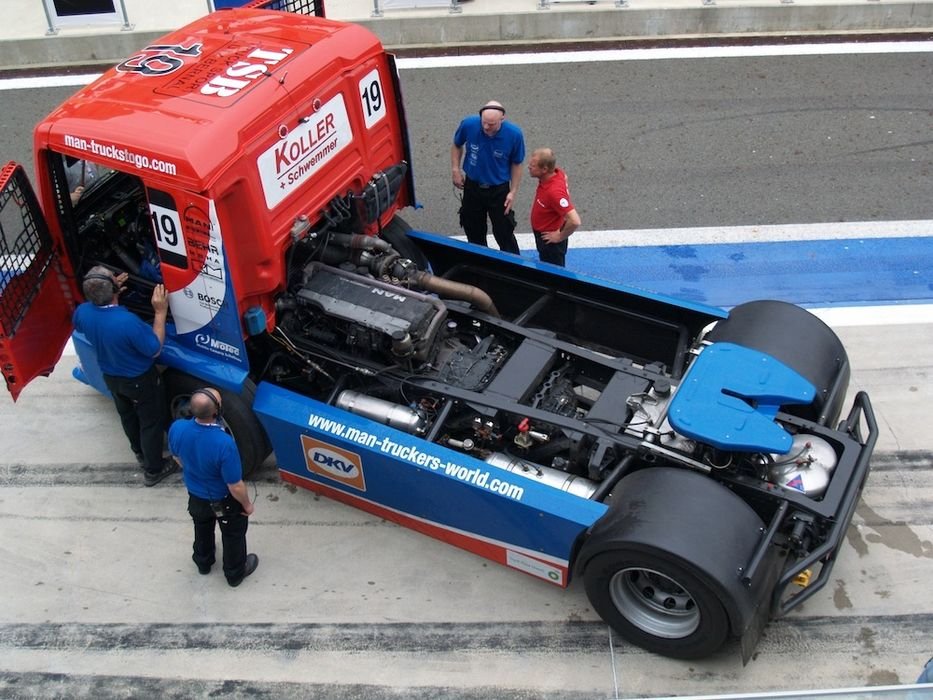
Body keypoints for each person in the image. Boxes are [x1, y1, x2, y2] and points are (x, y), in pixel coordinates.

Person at [72, 265, 176, 487]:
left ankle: (139, 452)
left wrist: (111, 289)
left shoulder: (82, 312)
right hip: (139, 381)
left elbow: (85, 323)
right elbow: (154, 348)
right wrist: (160, 312)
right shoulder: (127, 322)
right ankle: (154, 469)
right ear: (113, 289)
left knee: (127, 416)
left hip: (111, 376)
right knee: (151, 422)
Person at [168, 388, 258, 587]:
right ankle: (234, 573)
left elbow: (177, 457)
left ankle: (203, 562)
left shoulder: (177, 428)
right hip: (223, 500)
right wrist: (247, 505)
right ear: (216, 411)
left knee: (201, 526)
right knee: (233, 534)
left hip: (195, 496)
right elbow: (235, 485)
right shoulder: (224, 443)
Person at [451, 100, 525, 254]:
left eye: (491, 124)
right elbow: (457, 144)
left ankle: (513, 268)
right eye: (484, 122)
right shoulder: (469, 124)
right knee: (473, 230)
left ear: (502, 119)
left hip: (499, 191)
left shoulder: (514, 135)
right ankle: (480, 266)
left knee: (504, 232)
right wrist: (455, 169)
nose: (486, 127)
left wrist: (513, 191)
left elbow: (517, 163)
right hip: (472, 187)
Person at [528, 147, 581, 267]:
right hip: (546, 234)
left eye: (533, 165)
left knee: (554, 276)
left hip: (550, 241)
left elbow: (575, 221)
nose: (529, 167)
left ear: (544, 169)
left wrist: (559, 236)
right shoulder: (557, 173)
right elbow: (564, 179)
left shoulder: (554, 193)